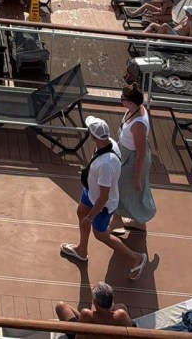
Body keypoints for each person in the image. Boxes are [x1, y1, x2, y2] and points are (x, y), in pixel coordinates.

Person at [60, 115, 147, 280]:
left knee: (100, 234)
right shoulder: (109, 143)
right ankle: (82, 250)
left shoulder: (106, 164)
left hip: (102, 204)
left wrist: (90, 217)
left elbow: (104, 196)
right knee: (81, 212)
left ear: (93, 137)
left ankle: (135, 258)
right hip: (90, 192)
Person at [112, 83, 156, 234]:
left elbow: (141, 154)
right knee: (126, 189)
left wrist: (137, 178)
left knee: (118, 186)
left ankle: (117, 220)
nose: (121, 100)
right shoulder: (133, 110)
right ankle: (139, 222)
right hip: (125, 155)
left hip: (133, 160)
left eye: (122, 98)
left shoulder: (138, 124)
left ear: (131, 103)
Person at [55, 282, 132, 331]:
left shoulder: (86, 314)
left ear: (95, 302)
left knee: (60, 306)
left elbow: (78, 337)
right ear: (112, 300)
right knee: (121, 306)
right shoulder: (122, 315)